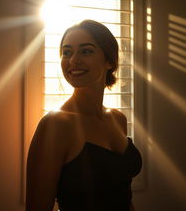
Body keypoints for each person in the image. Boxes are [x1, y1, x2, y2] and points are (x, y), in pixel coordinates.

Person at [26, 20, 142, 211]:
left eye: (86, 51)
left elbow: (123, 195)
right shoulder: (55, 124)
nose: (73, 61)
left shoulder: (117, 119)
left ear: (109, 61)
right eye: (67, 52)